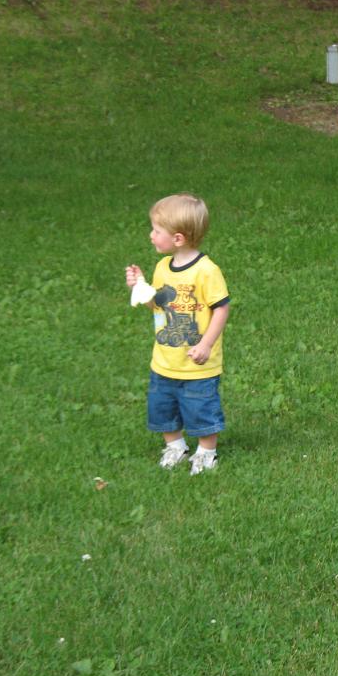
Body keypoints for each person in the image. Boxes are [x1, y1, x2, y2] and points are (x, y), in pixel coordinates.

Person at [126, 193, 231, 475]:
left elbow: (221, 309)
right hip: (165, 360)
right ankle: (176, 446)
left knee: (201, 409)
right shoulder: (163, 268)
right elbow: (157, 304)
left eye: (156, 231)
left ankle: (206, 452)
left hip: (197, 364)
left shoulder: (207, 271)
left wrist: (206, 344)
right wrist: (140, 286)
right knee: (163, 407)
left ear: (178, 239)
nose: (151, 235)